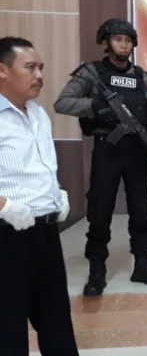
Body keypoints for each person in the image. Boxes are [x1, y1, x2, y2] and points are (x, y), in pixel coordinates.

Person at [54, 18, 147, 296]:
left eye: (128, 40)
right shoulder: (91, 73)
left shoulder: (142, 77)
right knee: (100, 211)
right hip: (108, 150)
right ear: (106, 42)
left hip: (137, 153)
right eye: (118, 39)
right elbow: (62, 103)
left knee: (141, 211)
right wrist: (95, 106)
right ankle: (97, 270)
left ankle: (142, 265)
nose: (124, 45)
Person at [0, 36, 78, 356]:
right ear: (2, 70)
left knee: (57, 322)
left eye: (41, 68)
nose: (40, 76)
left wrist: (56, 193)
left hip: (45, 232)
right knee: (9, 328)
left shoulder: (38, 113)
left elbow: (41, 165)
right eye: (30, 67)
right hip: (7, 237)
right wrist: (4, 205)